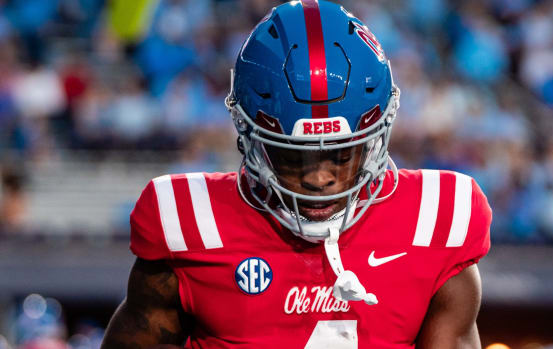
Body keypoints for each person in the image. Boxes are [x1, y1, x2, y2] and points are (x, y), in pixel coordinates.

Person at [101, 1, 492, 348]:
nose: (319, 178)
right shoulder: (189, 224)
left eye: (341, 154)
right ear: (249, 133)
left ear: (377, 135)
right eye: (293, 156)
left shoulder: (436, 222)